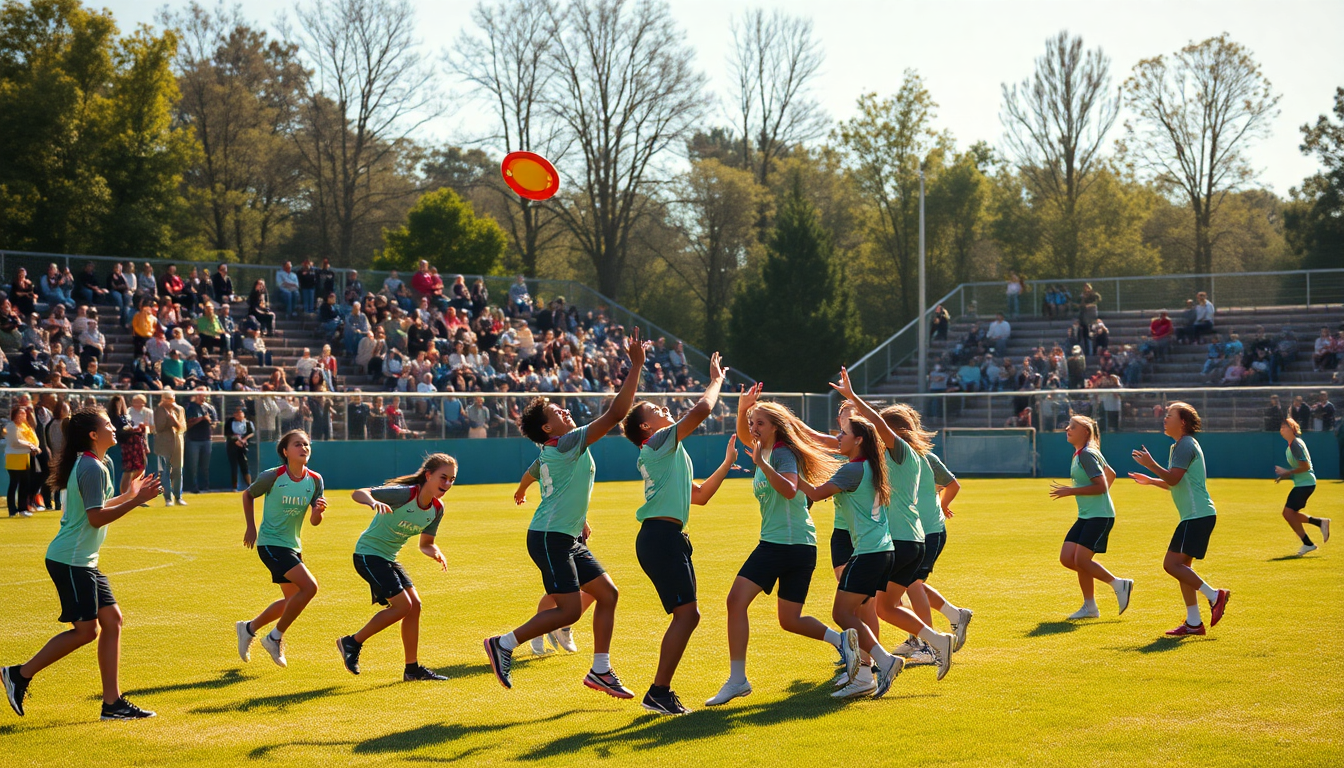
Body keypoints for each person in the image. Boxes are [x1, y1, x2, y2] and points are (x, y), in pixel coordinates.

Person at [484, 329, 650, 697]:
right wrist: (635, 365)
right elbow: (618, 413)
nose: (563, 409)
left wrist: (524, 488)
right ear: (547, 428)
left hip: (565, 534)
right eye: (555, 411)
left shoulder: (555, 447)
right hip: (550, 537)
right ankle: (504, 643)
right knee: (570, 611)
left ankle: (601, 671)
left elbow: (535, 473)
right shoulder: (569, 442)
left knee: (607, 594)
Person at [2, 406, 162, 720]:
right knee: (86, 631)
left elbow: (100, 505)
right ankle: (18, 674)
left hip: (81, 560)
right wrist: (136, 501)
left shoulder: (99, 462)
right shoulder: (91, 467)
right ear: (93, 434)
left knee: (112, 621)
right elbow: (96, 517)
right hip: (72, 561)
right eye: (108, 424)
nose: (115, 428)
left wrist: (130, 493)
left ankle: (112, 704)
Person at [703, 383, 853, 707]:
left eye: (760, 423)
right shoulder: (766, 449)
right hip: (793, 543)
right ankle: (844, 642)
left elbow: (788, 489)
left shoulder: (781, 453)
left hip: (784, 544)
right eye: (753, 423)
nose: (753, 429)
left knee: (735, 601)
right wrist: (744, 408)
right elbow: (744, 436)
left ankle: (737, 679)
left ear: (775, 427)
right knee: (790, 619)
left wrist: (762, 464)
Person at [617, 353, 735, 715]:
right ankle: (658, 691)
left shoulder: (668, 452)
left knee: (688, 614)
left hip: (667, 538)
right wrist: (716, 380)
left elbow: (699, 497)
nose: (665, 409)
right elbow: (700, 411)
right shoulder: (657, 444)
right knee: (688, 614)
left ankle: (660, 691)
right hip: (660, 538)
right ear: (647, 429)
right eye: (656, 409)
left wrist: (727, 464)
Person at [829, 373, 957, 687]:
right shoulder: (901, 457)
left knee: (854, 606)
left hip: (896, 542)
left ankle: (867, 669)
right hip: (913, 540)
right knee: (885, 606)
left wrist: (854, 398)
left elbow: (874, 423)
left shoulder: (900, 453)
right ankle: (936, 641)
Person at [791, 412, 904, 700]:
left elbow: (816, 494)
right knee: (855, 614)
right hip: (881, 550)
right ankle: (864, 676)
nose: (838, 438)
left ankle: (885, 661)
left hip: (869, 553)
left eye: (843, 433)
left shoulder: (853, 470)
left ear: (859, 439)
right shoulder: (868, 466)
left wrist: (790, 475)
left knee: (841, 613)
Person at [336, 454, 457, 682]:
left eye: (452, 479)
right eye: (443, 477)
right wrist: (373, 502)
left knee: (415, 606)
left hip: (388, 558)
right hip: (368, 554)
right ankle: (351, 643)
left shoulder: (437, 509)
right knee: (403, 606)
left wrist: (436, 552)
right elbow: (358, 492)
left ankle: (411, 670)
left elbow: (426, 544)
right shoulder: (405, 494)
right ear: (428, 475)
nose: (448, 484)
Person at [1129, 402, 1231, 637]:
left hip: (1197, 516)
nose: (1164, 418)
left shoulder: (1185, 444)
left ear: (1182, 421)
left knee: (1171, 565)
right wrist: (1152, 480)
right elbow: (1174, 481)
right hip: (1195, 516)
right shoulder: (1178, 446)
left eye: (1169, 415)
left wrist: (1151, 464)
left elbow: (1174, 480)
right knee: (1183, 568)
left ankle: (1216, 596)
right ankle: (1194, 623)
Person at [236, 430, 326, 669]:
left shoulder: (315, 480)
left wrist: (317, 513)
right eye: (298, 444)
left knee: (291, 600)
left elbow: (314, 521)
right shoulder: (273, 476)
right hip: (270, 543)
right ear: (285, 451)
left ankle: (248, 628)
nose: (304, 448)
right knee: (310, 587)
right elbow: (247, 495)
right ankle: (274, 637)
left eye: (306, 444)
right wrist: (250, 528)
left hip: (292, 545)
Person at [1049, 415, 1133, 619]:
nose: (1067, 429)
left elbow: (1102, 484)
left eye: (1073, 427)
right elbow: (1111, 474)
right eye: (1068, 426)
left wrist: (1072, 491)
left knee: (1081, 560)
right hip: (1087, 515)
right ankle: (1090, 608)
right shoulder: (1083, 453)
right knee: (1068, 558)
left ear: (1085, 432)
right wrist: (1099, 497)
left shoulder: (1087, 454)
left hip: (1099, 516)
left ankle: (1118, 584)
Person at [1274, 417, 1329, 556]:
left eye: (1285, 427)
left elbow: (1305, 466)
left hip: (1305, 484)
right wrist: (1285, 475)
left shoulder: (1295, 445)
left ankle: (1309, 542)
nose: (1282, 429)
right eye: (1281, 427)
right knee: (1289, 514)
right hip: (1303, 483)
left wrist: (1288, 472)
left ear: (1292, 429)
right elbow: (1301, 466)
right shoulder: (1292, 445)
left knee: (1288, 513)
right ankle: (1319, 525)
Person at [6, 405, 40, 517]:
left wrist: (34, 446)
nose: (22, 416)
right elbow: (15, 442)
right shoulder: (11, 426)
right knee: (14, 483)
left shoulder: (26, 426)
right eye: (20, 413)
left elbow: (33, 439)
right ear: (14, 415)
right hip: (14, 457)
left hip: (25, 457)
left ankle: (22, 508)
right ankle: (12, 510)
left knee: (25, 484)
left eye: (24, 413)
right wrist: (30, 445)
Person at [153, 391, 186, 506]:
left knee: (178, 470)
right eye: (166, 398)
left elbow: (182, 427)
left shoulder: (180, 409)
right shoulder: (158, 410)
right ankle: (168, 498)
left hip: (178, 443)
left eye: (170, 398)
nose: (169, 401)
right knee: (164, 471)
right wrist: (168, 420)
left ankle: (178, 497)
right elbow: (159, 427)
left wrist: (174, 421)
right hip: (163, 445)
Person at [184, 389, 218, 495]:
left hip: (206, 439)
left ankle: (205, 486)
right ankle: (193, 487)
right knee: (193, 465)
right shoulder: (190, 407)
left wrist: (210, 422)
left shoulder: (210, 407)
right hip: (193, 440)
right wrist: (199, 419)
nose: (202, 397)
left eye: (204, 395)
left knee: (205, 466)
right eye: (200, 395)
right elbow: (186, 424)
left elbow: (214, 423)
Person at [226, 406, 256, 491]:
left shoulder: (248, 423)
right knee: (233, 466)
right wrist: (236, 440)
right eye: (236, 413)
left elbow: (251, 433)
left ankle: (249, 485)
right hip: (232, 446)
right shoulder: (230, 422)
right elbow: (228, 433)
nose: (237, 415)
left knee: (244, 466)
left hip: (243, 447)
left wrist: (244, 440)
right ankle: (234, 487)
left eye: (240, 413)